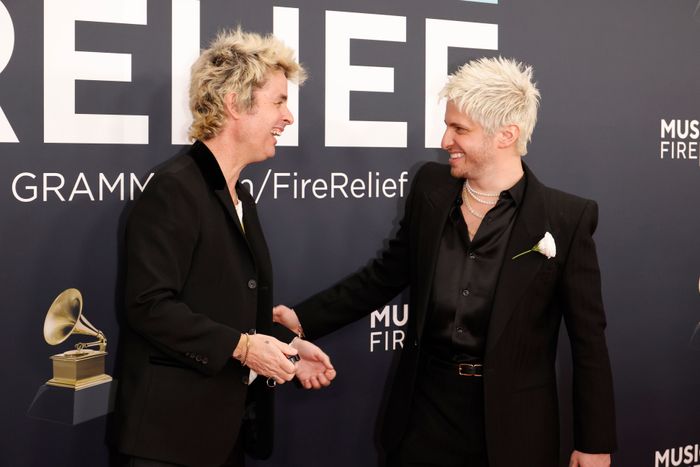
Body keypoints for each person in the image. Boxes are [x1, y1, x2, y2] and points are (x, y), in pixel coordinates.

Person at [274, 57, 616, 466]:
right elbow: (385, 275)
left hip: (514, 428)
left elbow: (588, 341)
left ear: (506, 135)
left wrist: (594, 443)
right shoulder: (431, 189)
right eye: (448, 124)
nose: (444, 139)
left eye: (460, 129)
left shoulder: (565, 219)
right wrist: (302, 319)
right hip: (425, 415)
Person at [114, 29, 335, 467]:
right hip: (167, 443)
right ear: (234, 103)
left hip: (222, 433)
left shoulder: (240, 195)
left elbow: (223, 307)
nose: (288, 117)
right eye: (278, 101)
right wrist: (243, 348)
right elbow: (149, 305)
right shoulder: (174, 190)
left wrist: (286, 346)